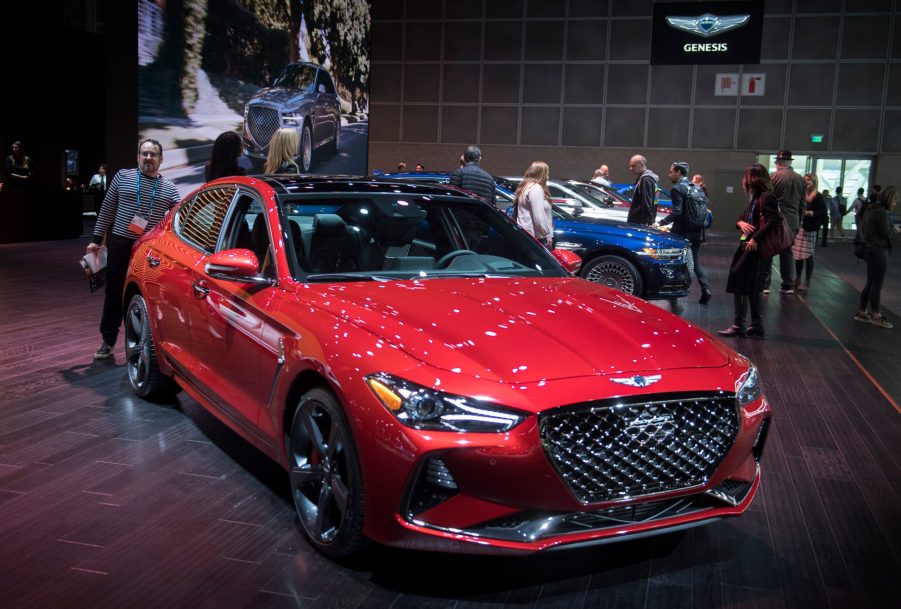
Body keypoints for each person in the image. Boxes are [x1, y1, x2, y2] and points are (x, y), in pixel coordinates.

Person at [87, 139, 181, 359]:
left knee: (144, 295)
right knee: (114, 293)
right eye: (145, 153)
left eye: (153, 154)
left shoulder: (168, 188)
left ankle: (141, 342)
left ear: (161, 159)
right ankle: (108, 340)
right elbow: (107, 209)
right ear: (138, 156)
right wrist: (96, 239)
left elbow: (180, 214)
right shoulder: (123, 177)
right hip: (120, 243)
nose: (149, 158)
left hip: (148, 250)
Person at [717, 164, 780, 339]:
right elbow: (742, 218)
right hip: (749, 247)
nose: (744, 181)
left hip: (754, 248)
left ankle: (740, 325)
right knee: (751, 287)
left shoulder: (766, 197)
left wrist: (755, 238)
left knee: (741, 282)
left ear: (752, 178)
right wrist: (740, 224)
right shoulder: (758, 197)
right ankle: (755, 325)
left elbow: (773, 221)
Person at [659, 162, 711, 304]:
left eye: (671, 172)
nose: (669, 174)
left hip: (682, 232)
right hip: (698, 231)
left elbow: (677, 212)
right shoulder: (696, 188)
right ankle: (706, 288)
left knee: (676, 261)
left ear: (678, 172)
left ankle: (674, 292)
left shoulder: (677, 188)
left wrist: (660, 223)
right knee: (694, 261)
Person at [854, 186, 900, 328]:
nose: (896, 203)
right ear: (890, 198)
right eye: (895, 200)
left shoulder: (870, 209)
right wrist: (895, 230)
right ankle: (876, 314)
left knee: (870, 282)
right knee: (877, 284)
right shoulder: (881, 212)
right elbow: (886, 233)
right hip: (878, 250)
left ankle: (862, 312)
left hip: (869, 249)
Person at [765, 149, 805, 294]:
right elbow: (802, 204)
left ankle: (765, 284)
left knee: (768, 250)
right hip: (793, 220)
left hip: (775, 219)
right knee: (787, 252)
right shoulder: (800, 179)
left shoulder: (773, 177)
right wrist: (799, 221)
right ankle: (788, 284)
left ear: (779, 163)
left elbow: (768, 200)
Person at [791, 174, 828, 290]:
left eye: (808, 180)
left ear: (814, 182)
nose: (806, 182)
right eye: (805, 180)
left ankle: (807, 281)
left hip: (810, 228)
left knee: (808, 255)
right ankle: (797, 278)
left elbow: (823, 213)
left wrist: (811, 213)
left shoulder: (818, 196)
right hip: (800, 227)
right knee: (798, 255)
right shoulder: (800, 194)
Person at [513, 161, 554, 247]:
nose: (547, 177)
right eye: (547, 174)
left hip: (525, 234)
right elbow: (538, 215)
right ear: (541, 174)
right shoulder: (536, 188)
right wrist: (546, 234)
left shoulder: (525, 187)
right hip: (536, 237)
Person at [627, 154, 658, 225]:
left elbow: (647, 203)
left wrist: (645, 222)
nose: (631, 168)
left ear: (641, 165)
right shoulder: (650, 179)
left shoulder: (645, 180)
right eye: (630, 166)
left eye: (633, 166)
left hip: (640, 222)